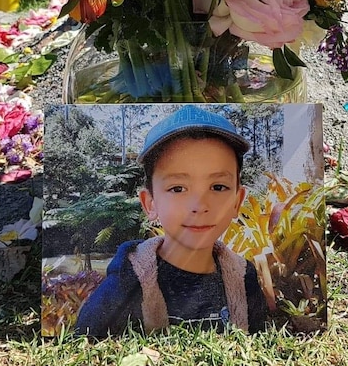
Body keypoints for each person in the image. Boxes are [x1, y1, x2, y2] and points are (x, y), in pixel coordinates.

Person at [74, 106, 268, 337]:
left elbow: (260, 338)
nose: (199, 205)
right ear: (150, 203)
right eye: (178, 188)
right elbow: (85, 336)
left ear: (237, 201)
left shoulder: (243, 276)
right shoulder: (131, 275)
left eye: (218, 187)